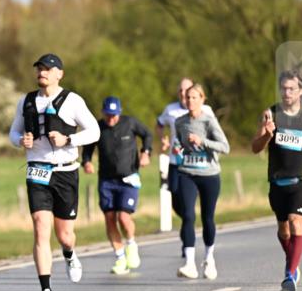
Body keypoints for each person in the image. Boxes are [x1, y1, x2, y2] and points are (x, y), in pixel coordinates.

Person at [10, 53, 100, 291]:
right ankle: (46, 290)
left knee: (65, 235)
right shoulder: (26, 101)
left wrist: (68, 140)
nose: (43, 72)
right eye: (39, 68)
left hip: (65, 172)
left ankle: (70, 255)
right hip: (37, 171)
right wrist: (20, 141)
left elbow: (94, 131)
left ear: (59, 73)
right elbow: (13, 131)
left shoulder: (72, 101)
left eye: (48, 69)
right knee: (40, 226)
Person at [251, 70, 302, 291]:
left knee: (296, 222)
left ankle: (290, 275)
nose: (287, 92)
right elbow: (255, 148)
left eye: (291, 88)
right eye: (283, 88)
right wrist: (267, 134)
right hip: (278, 182)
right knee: (284, 231)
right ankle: (292, 260)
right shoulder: (271, 113)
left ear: (301, 91)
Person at [82, 96, 152, 275]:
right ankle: (120, 258)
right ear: (103, 113)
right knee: (110, 218)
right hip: (106, 180)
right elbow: (88, 148)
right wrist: (87, 162)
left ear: (119, 113)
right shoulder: (98, 127)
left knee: (124, 217)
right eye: (108, 115)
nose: (111, 119)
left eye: (114, 115)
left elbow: (147, 135)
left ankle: (131, 243)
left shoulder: (130, 123)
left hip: (128, 178)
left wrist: (146, 153)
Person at [173, 84, 230, 280]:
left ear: (202, 99)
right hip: (186, 173)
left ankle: (209, 258)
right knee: (188, 215)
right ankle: (189, 263)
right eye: (187, 97)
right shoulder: (179, 122)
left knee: (207, 218)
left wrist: (202, 141)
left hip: (209, 174)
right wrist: (176, 149)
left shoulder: (209, 121)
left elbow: (225, 147)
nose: (190, 101)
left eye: (194, 97)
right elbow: (180, 144)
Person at [157, 78, 215, 219]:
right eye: (181, 90)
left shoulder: (206, 110)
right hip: (176, 160)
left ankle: (192, 220)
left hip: (197, 161)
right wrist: (163, 138)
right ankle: (188, 218)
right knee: (176, 198)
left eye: (187, 91)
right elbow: (159, 124)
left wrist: (207, 143)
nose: (184, 94)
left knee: (191, 197)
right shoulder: (170, 109)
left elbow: (214, 130)